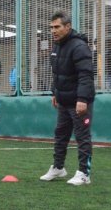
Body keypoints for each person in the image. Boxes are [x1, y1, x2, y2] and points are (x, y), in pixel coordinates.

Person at [39, 11, 95, 186]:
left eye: (57, 27)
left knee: (82, 136)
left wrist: (82, 99)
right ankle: (58, 168)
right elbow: (57, 74)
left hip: (79, 101)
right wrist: (54, 93)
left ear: (68, 27)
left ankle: (84, 173)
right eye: (51, 27)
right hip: (63, 100)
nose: (53, 31)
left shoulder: (79, 46)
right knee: (60, 135)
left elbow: (86, 74)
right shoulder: (57, 46)